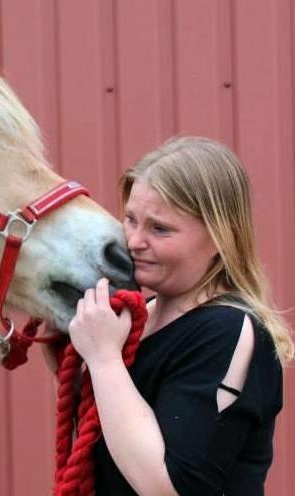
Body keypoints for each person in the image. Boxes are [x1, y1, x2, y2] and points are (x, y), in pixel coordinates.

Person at [61, 136, 294, 495]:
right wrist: (75, 359)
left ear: (221, 238)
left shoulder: (226, 329)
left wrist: (104, 358)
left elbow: (166, 486)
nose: (135, 240)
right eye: (131, 219)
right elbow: (118, 431)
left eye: (160, 228)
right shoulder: (143, 316)